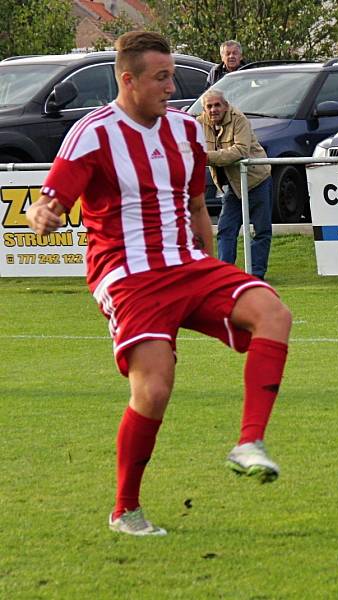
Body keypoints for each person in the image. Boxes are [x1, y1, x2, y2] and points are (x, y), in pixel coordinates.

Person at [26, 31, 292, 536]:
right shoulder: (93, 133)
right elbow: (50, 200)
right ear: (128, 80)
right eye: (161, 77)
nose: (172, 87)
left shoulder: (186, 134)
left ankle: (249, 443)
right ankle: (126, 509)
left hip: (188, 265)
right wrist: (45, 214)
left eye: (173, 75)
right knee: (154, 388)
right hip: (128, 275)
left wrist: (218, 271)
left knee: (272, 312)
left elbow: (196, 208)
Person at [198, 89, 273, 278]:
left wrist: (203, 157)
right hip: (231, 184)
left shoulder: (239, 119)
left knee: (261, 230)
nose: (214, 109)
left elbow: (240, 151)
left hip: (256, 179)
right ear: (204, 109)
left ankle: (256, 275)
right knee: (226, 229)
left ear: (226, 106)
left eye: (217, 105)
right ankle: (225, 275)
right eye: (209, 106)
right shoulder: (198, 123)